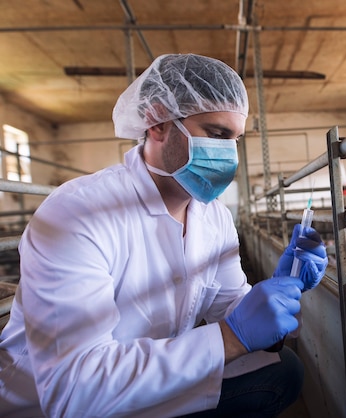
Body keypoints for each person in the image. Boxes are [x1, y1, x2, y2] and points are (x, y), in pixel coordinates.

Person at [0, 53, 328, 417]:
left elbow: (233, 306)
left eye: (235, 139)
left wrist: (284, 288)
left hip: (149, 380)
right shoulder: (77, 214)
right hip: (54, 405)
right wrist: (230, 338)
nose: (228, 154)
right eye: (216, 134)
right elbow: (73, 392)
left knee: (283, 371)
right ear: (157, 122)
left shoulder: (213, 216)